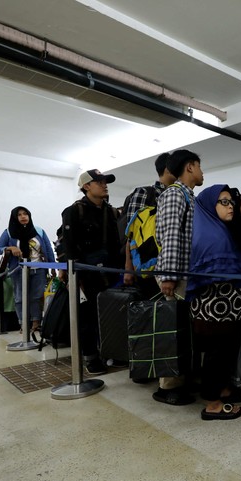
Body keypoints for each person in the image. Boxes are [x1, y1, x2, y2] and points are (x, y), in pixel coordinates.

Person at [188, 185, 241, 421]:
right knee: (217, 354)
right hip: (215, 311)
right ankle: (212, 404)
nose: (230, 206)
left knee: (224, 352)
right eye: (223, 202)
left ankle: (222, 390)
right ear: (209, 206)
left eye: (231, 201)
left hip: (225, 310)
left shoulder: (219, 230)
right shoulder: (212, 237)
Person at [152, 149, 203, 405]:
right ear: (190, 167)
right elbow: (171, 236)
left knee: (183, 331)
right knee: (172, 331)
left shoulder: (188, 195)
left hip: (185, 274)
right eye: (200, 166)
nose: (202, 172)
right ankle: (168, 386)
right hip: (176, 274)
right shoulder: (174, 194)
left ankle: (181, 378)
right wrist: (169, 277)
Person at [61, 169, 122, 376]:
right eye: (99, 182)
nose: (105, 185)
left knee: (109, 313)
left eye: (106, 182)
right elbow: (69, 246)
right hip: (85, 274)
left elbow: (116, 243)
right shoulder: (74, 211)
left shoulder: (111, 212)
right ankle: (90, 357)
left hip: (110, 272)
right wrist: (74, 276)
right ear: (86, 186)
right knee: (87, 317)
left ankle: (111, 351)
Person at [122, 152, 176, 297]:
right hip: (146, 264)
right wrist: (128, 268)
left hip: (168, 263)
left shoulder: (176, 195)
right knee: (150, 306)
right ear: (167, 169)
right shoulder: (145, 193)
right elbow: (131, 232)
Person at [0, 206, 55, 332]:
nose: (23, 217)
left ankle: (36, 322)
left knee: (36, 297)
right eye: (19, 215)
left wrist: (53, 266)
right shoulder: (8, 232)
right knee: (20, 297)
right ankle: (23, 323)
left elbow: (48, 249)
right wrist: (10, 248)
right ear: (14, 217)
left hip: (39, 268)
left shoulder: (39, 231)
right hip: (19, 270)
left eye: (25, 214)